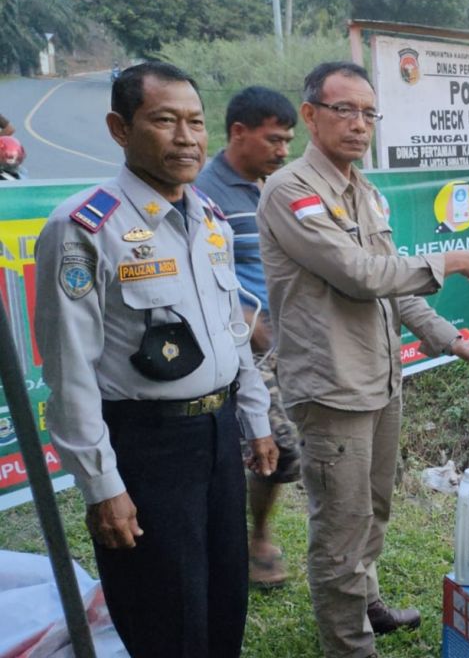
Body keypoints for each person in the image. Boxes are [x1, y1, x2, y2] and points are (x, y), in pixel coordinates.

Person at [34, 61, 278, 658]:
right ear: (121, 129)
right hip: (146, 445)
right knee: (165, 611)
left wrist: (256, 419)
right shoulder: (85, 227)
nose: (187, 138)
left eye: (195, 122)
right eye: (164, 121)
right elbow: (68, 372)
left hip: (218, 436)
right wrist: (101, 486)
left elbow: (231, 328)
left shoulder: (210, 221)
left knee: (224, 597)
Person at [257, 61, 469, 658]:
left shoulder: (365, 192)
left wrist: (452, 340)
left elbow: (398, 288)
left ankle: (366, 602)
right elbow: (361, 275)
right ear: (311, 115)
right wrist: (454, 259)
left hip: (380, 378)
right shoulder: (291, 190)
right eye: (345, 110)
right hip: (330, 386)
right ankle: (349, 647)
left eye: (369, 113)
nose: (359, 124)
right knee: (339, 526)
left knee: (375, 509)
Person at [195, 85, 300, 588]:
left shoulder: (275, 185)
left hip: (290, 342)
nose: (283, 151)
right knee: (272, 447)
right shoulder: (201, 191)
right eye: (274, 140)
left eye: (287, 142)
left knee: (272, 452)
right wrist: (244, 320)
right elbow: (193, 273)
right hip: (243, 349)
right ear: (238, 133)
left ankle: (254, 534)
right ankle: (245, 541)